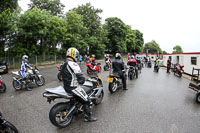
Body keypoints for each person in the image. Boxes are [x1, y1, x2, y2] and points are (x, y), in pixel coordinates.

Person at [61, 47, 97, 122]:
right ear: (73, 55)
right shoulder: (73, 64)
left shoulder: (64, 63)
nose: (77, 57)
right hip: (73, 87)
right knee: (87, 100)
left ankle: (76, 110)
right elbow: (81, 79)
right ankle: (88, 117)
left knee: (78, 98)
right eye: (76, 55)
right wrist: (82, 80)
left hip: (66, 86)